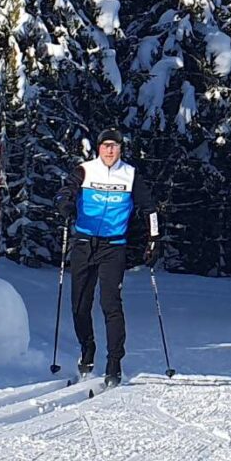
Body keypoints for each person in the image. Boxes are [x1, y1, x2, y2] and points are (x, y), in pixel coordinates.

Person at [72, 133, 135, 384]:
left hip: (113, 247)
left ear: (120, 149)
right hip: (84, 244)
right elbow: (66, 191)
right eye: (106, 146)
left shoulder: (130, 174)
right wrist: (64, 203)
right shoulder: (84, 171)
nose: (110, 151)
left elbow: (149, 207)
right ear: (99, 148)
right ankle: (87, 352)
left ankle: (114, 364)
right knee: (79, 306)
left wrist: (153, 239)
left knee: (111, 304)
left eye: (115, 146)